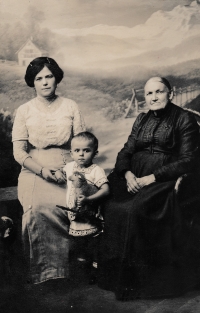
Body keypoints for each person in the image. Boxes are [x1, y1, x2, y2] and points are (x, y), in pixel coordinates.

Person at [98, 77, 200, 300]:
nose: (153, 97)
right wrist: (127, 174)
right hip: (134, 176)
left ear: (170, 94)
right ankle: (116, 278)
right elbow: (125, 151)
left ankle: (144, 284)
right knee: (112, 205)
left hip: (165, 179)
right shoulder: (142, 119)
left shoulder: (184, 119)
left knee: (134, 210)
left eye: (159, 92)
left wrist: (152, 178)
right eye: (149, 94)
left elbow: (188, 160)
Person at [12, 57, 86, 284]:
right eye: (39, 78)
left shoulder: (71, 106)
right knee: (38, 208)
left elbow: (82, 144)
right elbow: (19, 152)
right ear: (32, 83)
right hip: (35, 169)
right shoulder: (24, 110)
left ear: (57, 78)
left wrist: (70, 170)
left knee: (72, 204)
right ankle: (45, 273)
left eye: (49, 76)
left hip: (69, 166)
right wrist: (43, 171)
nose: (45, 82)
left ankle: (72, 271)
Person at [63, 131, 109, 283]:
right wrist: (57, 174)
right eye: (77, 151)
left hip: (89, 214)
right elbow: (63, 174)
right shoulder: (69, 167)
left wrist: (89, 199)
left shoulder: (96, 170)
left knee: (93, 243)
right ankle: (83, 271)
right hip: (75, 215)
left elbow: (106, 190)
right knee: (78, 244)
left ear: (95, 153)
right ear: (71, 153)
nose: (81, 155)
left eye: (86, 150)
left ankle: (96, 271)